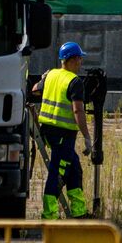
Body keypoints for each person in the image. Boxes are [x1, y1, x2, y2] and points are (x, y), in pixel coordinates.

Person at [31, 41, 93, 219]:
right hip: (64, 136)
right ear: (72, 59)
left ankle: (79, 212)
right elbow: (78, 111)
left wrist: (43, 80)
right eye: (79, 58)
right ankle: (49, 215)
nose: (81, 62)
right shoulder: (75, 82)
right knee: (58, 174)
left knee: (75, 168)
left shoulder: (51, 74)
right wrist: (87, 137)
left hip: (48, 132)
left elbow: (34, 90)